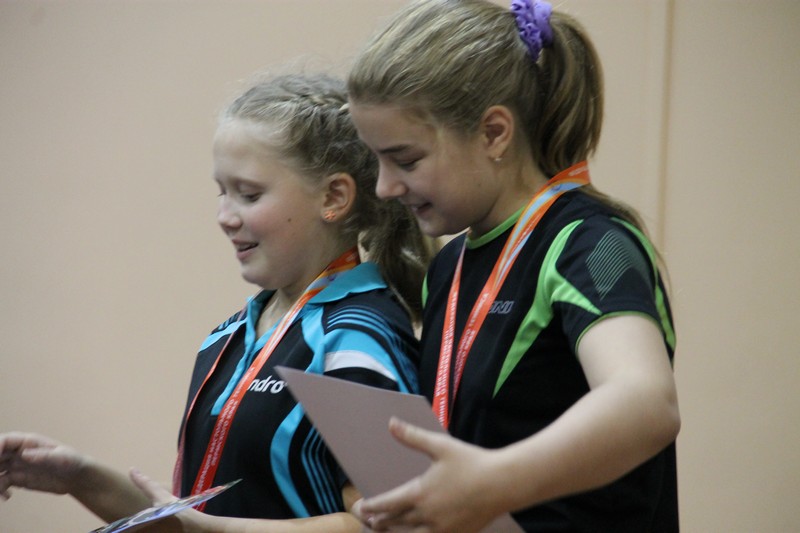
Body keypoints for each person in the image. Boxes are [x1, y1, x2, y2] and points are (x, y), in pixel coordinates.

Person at [0, 72, 432, 532]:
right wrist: (79, 477)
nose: (225, 217)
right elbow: (192, 522)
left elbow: (395, 525)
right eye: (222, 192)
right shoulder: (228, 336)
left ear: (333, 196)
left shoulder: (357, 337)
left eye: (249, 194)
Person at [345, 0, 681, 531]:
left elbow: (647, 403)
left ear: (494, 133)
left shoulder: (593, 242)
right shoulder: (449, 266)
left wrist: (493, 482)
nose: (385, 187)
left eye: (406, 160)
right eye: (377, 160)